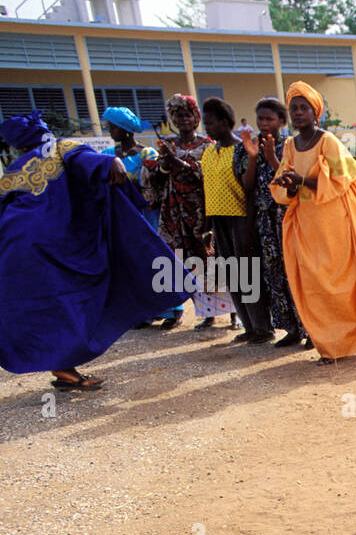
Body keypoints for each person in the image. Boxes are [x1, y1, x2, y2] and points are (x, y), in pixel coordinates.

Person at [0, 112, 192, 389]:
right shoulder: (59, 147)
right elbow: (93, 162)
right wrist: (111, 162)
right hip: (53, 245)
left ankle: (62, 367)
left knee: (46, 307)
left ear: (19, 145)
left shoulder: (15, 169)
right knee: (78, 298)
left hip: (15, 246)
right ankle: (65, 364)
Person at [271, 81, 356, 365]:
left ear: (316, 112)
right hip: (308, 224)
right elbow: (284, 188)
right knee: (317, 284)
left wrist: (301, 180)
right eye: (294, 108)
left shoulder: (328, 140)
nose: (299, 112)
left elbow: (345, 177)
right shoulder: (290, 146)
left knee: (351, 279)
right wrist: (290, 184)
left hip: (338, 221)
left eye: (304, 107)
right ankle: (331, 345)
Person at [142, 93, 237, 330]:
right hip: (175, 211)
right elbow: (156, 180)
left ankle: (234, 315)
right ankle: (207, 313)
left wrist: (178, 162)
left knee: (214, 260)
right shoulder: (167, 143)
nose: (183, 120)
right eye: (178, 116)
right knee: (190, 263)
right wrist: (164, 163)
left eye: (187, 115)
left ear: (195, 118)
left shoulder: (207, 144)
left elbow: (206, 176)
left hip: (202, 210)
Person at [234, 96, 308, 348]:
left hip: (288, 216)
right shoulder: (246, 147)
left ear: (281, 121)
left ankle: (311, 327)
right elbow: (248, 185)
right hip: (265, 220)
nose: (264, 123)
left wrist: (271, 157)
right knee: (275, 274)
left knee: (298, 273)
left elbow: (292, 180)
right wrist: (254, 157)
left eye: (269, 118)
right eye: (260, 118)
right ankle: (291, 328)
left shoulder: (291, 146)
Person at [103, 105, 184, 331]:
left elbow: (157, 181)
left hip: (147, 214)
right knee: (134, 264)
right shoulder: (108, 156)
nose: (110, 131)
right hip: (123, 218)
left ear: (126, 130)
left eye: (113, 127)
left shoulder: (147, 153)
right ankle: (145, 311)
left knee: (157, 259)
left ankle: (173, 309)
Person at [202, 97, 272, 345]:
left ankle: (263, 328)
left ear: (223, 122)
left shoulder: (241, 149)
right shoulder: (208, 153)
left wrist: (250, 228)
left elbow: (250, 189)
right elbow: (207, 189)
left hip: (240, 218)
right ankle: (249, 326)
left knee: (248, 274)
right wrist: (207, 227)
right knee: (232, 276)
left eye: (210, 123)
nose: (206, 127)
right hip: (218, 220)